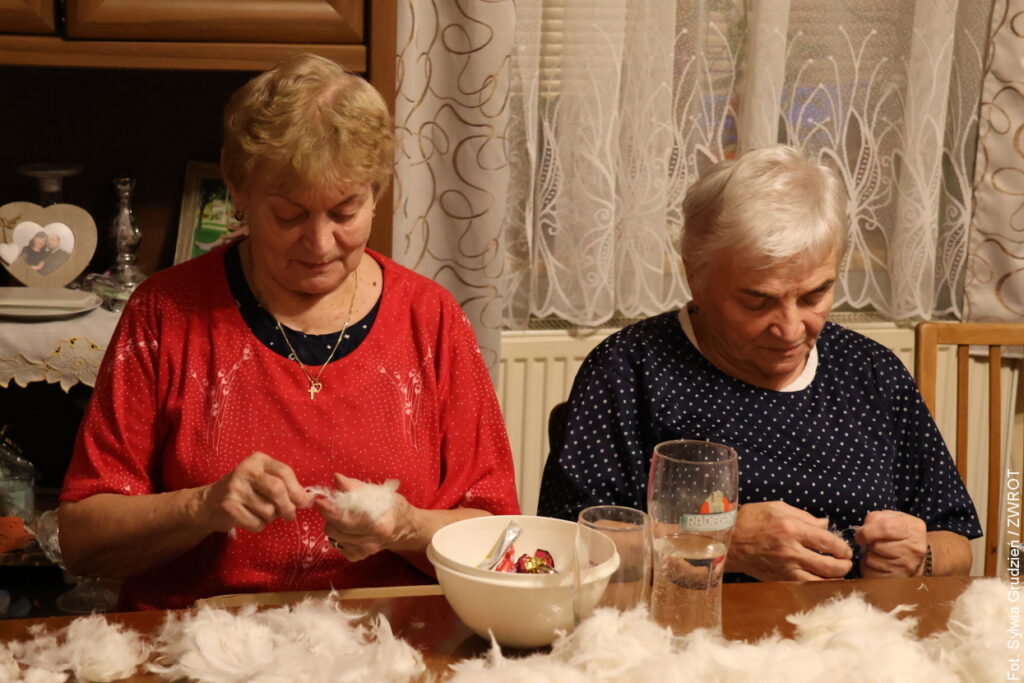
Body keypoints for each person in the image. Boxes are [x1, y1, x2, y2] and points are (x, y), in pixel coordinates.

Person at [58, 53, 520, 610]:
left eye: (344, 212)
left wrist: (407, 528)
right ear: (238, 191)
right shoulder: (166, 313)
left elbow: (498, 540)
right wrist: (201, 507)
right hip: (202, 640)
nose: (320, 244)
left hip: (390, 639)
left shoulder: (431, 319)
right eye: (289, 215)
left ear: (376, 192)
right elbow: (82, 542)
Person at [538, 145, 981, 582]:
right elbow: (569, 548)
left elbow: (956, 544)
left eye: (814, 295)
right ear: (695, 276)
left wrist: (920, 558)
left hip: (856, 625)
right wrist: (720, 545)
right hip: (696, 625)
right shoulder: (629, 369)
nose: (789, 329)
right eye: (757, 301)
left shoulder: (871, 371)